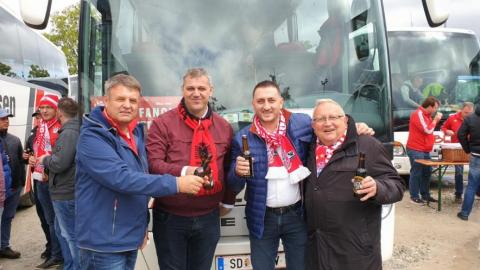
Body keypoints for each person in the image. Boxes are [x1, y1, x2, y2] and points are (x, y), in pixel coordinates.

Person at [228, 82, 374, 270]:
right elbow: (233, 185)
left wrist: (355, 128)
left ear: (281, 102)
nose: (266, 106)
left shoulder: (302, 123)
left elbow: (328, 129)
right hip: (263, 219)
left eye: (272, 100)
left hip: (298, 215)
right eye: (260, 101)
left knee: (302, 266)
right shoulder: (242, 138)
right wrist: (237, 172)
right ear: (253, 104)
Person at [75, 73, 205, 270]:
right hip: (103, 244)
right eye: (120, 99)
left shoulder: (135, 134)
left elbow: (141, 183)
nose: (127, 105)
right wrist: (177, 183)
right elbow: (122, 179)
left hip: (127, 238)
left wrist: (140, 228)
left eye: (133, 100)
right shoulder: (93, 137)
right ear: (106, 101)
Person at [146, 68, 236, 270]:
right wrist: (185, 171)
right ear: (183, 90)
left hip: (209, 217)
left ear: (210, 91)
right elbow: (153, 165)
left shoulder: (224, 127)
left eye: (202, 88)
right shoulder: (162, 124)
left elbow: (229, 168)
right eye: (191, 88)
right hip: (170, 218)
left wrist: (228, 201)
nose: (196, 93)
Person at [304, 99, 404, 270]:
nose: (327, 123)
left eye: (333, 117)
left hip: (354, 250)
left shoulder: (367, 145)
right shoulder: (307, 148)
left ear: (345, 121)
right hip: (318, 249)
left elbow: (396, 185)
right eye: (320, 119)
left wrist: (377, 188)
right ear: (313, 125)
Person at [38, 97, 80, 270]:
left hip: (66, 193)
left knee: (70, 236)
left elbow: (60, 163)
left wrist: (45, 159)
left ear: (59, 113)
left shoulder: (69, 133)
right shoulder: (71, 130)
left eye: (49, 107)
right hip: (65, 191)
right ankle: (69, 265)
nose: (45, 111)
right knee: (64, 232)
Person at [28, 94, 64, 268]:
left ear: (56, 109)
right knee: (49, 219)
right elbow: (38, 150)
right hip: (40, 178)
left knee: (57, 220)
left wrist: (47, 167)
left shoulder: (60, 127)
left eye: (48, 107)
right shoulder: (41, 126)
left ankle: (59, 255)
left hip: (54, 179)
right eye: (41, 108)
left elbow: (61, 156)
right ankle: (54, 251)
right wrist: (32, 159)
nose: (44, 110)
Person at [24, 109, 52, 260]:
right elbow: (28, 153)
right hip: (37, 178)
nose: (39, 119)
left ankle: (55, 250)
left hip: (49, 179)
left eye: (40, 116)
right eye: (36, 117)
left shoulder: (53, 131)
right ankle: (49, 245)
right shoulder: (33, 134)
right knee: (42, 215)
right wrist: (27, 158)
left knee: (51, 218)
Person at [406, 96, 442, 204]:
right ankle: (414, 196)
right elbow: (427, 130)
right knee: (417, 172)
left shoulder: (427, 116)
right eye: (435, 108)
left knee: (427, 172)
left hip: (425, 149)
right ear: (430, 106)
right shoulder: (418, 114)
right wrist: (436, 120)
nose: (436, 110)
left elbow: (428, 131)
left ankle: (425, 195)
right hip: (416, 148)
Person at [0, 108, 25, 259]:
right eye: (2, 119)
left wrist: (21, 183)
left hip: (14, 187)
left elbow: (22, 162)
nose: (6, 121)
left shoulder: (15, 140)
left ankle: (4, 246)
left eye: (7, 118)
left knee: (8, 218)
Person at [441, 102, 474, 202]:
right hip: (457, 149)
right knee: (459, 171)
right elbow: (443, 127)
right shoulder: (452, 118)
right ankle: (459, 193)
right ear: (461, 110)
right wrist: (447, 131)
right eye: (466, 112)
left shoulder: (474, 118)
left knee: (474, 171)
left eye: (470, 113)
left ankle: (475, 192)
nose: (468, 115)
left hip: (472, 147)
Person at [457, 102, 480, 221]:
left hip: (476, 155)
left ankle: (465, 213)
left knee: (471, 185)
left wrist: (467, 149)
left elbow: (460, 134)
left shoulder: (470, 118)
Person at [0, 138, 12, 270]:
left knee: (7, 218)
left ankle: (4, 246)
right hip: (1, 193)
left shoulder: (10, 141)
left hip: (5, 191)